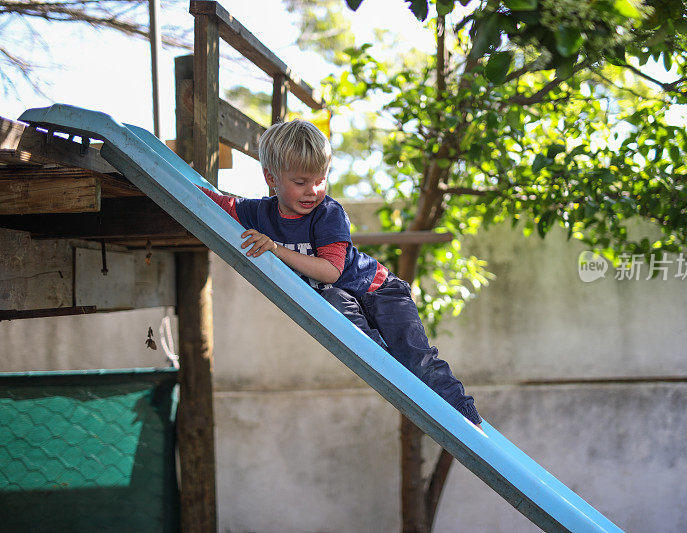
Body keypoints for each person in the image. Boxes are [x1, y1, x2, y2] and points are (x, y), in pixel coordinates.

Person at [199, 119, 482, 426]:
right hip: (342, 296)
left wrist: (276, 249)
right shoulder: (259, 213)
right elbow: (219, 203)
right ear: (272, 178)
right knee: (372, 349)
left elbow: (331, 271)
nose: (313, 190)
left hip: (380, 292)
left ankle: (468, 419)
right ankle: (388, 364)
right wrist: (177, 181)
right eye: (301, 182)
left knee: (417, 358)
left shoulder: (328, 213)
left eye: (321, 180)